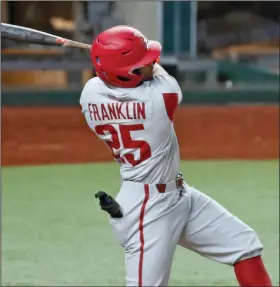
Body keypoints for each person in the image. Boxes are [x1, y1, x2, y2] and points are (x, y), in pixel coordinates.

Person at [79, 25, 272, 287]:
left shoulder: (90, 95)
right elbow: (160, 71)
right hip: (148, 210)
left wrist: (117, 57)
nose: (151, 63)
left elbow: (109, 75)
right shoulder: (160, 97)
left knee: (243, 244)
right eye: (142, 63)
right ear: (126, 75)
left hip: (178, 195)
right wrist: (127, 57)